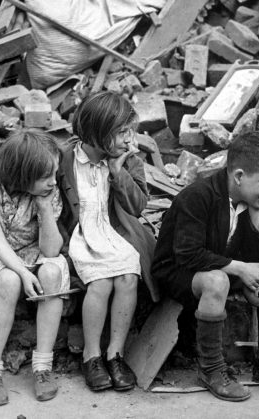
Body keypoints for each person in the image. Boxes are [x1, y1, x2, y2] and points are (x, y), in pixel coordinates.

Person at [152, 130, 259, 402]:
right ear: (240, 176)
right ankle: (211, 368)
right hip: (178, 273)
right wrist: (239, 268)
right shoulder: (198, 196)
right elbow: (188, 254)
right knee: (217, 280)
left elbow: (258, 255)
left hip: (218, 264)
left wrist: (256, 216)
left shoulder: (248, 198)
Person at [57, 91, 155, 392]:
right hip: (81, 235)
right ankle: (91, 356)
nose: (129, 140)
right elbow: (54, 206)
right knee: (100, 282)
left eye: (131, 132)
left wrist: (118, 172)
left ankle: (116, 353)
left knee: (127, 276)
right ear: (98, 132)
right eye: (121, 133)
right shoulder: (65, 159)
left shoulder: (129, 160)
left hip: (114, 232)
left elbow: (138, 207)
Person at [0, 129, 69, 406]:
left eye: (54, 174)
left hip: (36, 250)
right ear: (22, 173)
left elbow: (50, 250)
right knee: (11, 280)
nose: (52, 182)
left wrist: (46, 209)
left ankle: (43, 366)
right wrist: (23, 273)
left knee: (52, 272)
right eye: (45, 177)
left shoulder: (48, 191)